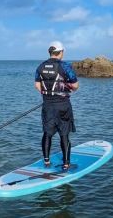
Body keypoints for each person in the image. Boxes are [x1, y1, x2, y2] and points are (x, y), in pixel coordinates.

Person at [34, 41, 79, 171]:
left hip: (47, 105)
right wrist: (68, 87)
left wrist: (49, 95)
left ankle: (46, 161)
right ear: (61, 52)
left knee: (47, 133)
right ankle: (66, 164)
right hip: (63, 105)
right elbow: (75, 86)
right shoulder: (65, 66)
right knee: (64, 134)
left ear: (50, 52)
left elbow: (37, 85)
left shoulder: (40, 66)